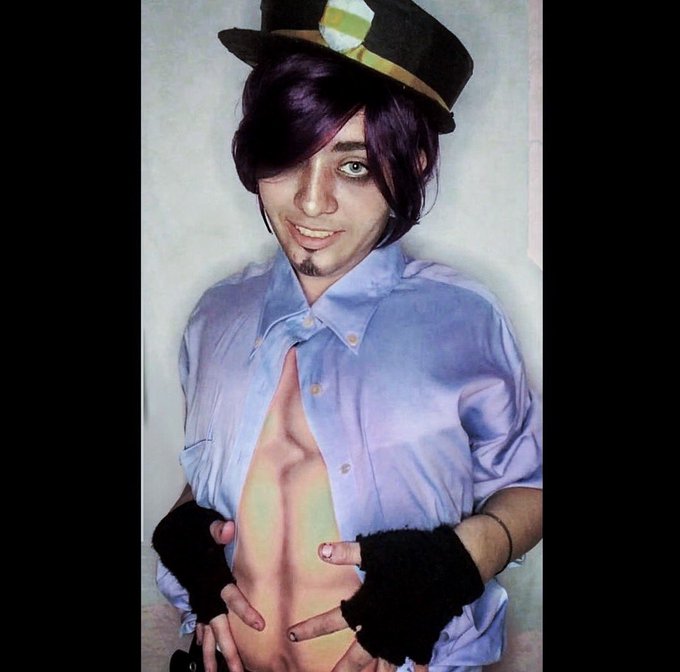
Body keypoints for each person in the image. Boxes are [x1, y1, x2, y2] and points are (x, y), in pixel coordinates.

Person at [151, 1, 543, 671]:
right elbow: (215, 481)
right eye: (289, 155)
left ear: (414, 162)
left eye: (354, 165)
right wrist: (186, 531)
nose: (311, 202)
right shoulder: (214, 316)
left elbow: (531, 487)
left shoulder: (466, 318)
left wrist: (457, 561)